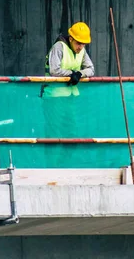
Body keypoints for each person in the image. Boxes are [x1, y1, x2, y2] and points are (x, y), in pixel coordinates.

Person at [41, 22, 94, 166]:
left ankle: (62, 166)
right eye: (79, 43)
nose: (81, 47)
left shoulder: (81, 51)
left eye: (83, 44)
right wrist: (72, 74)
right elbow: (54, 70)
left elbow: (90, 69)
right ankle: (51, 168)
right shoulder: (59, 47)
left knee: (71, 135)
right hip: (53, 98)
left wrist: (79, 74)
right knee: (54, 135)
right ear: (71, 39)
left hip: (69, 98)